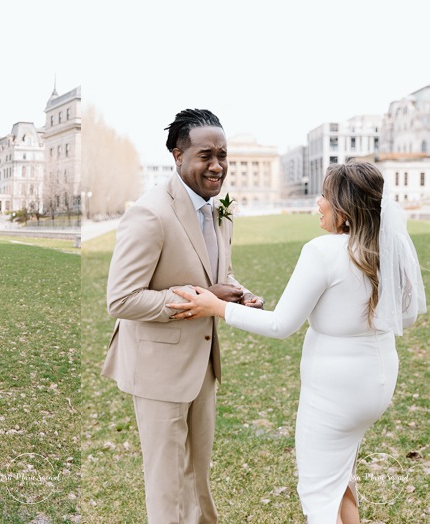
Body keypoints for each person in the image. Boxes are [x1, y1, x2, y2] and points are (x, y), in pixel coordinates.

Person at [169, 161, 426, 523]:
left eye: (325, 196)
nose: (318, 203)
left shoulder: (323, 251)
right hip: (376, 384)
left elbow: (280, 325)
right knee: (340, 478)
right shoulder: (386, 248)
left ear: (345, 207)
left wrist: (215, 307)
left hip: (333, 396)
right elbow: (408, 315)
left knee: (318, 492)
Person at [102, 108, 264, 523]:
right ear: (177, 156)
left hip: (203, 366)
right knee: (167, 482)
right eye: (205, 155)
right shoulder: (149, 213)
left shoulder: (218, 210)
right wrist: (200, 299)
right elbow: (121, 299)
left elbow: (217, 274)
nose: (217, 166)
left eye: (223, 155)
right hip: (158, 369)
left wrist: (238, 293)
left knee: (197, 477)